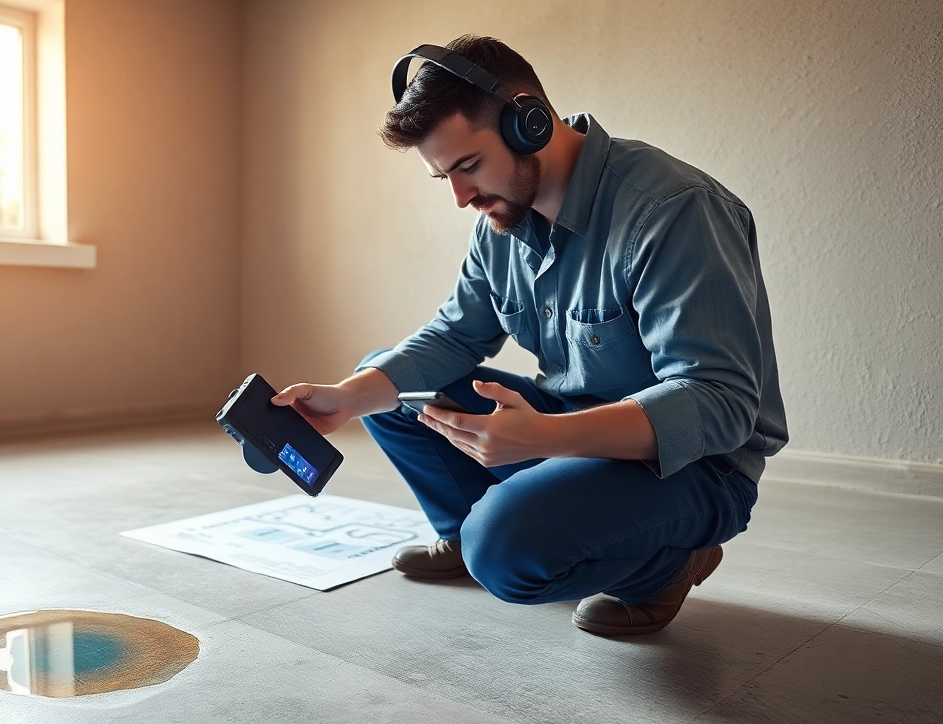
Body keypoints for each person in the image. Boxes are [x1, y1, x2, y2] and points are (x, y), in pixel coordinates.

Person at [270, 35, 788, 636]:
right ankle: (465, 532)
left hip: (693, 468)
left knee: (504, 547)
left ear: (529, 121)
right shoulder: (501, 216)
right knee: (387, 382)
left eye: (467, 166)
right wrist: (347, 397)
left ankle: (663, 567)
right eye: (444, 178)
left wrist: (546, 435)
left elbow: (719, 406)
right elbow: (455, 335)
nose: (461, 198)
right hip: (571, 424)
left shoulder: (671, 210)